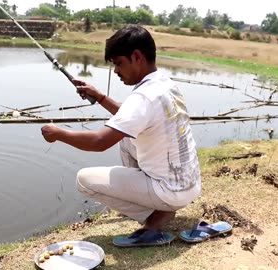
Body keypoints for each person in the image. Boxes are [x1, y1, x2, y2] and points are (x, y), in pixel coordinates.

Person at [41, 25, 201, 247]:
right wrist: (100, 96)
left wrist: (58, 133)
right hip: (189, 183)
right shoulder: (164, 82)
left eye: (118, 63)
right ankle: (153, 203)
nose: (115, 71)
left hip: (170, 191)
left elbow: (99, 142)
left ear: (136, 56)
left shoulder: (143, 96)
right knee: (126, 137)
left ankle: (154, 216)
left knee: (84, 180)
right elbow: (130, 118)